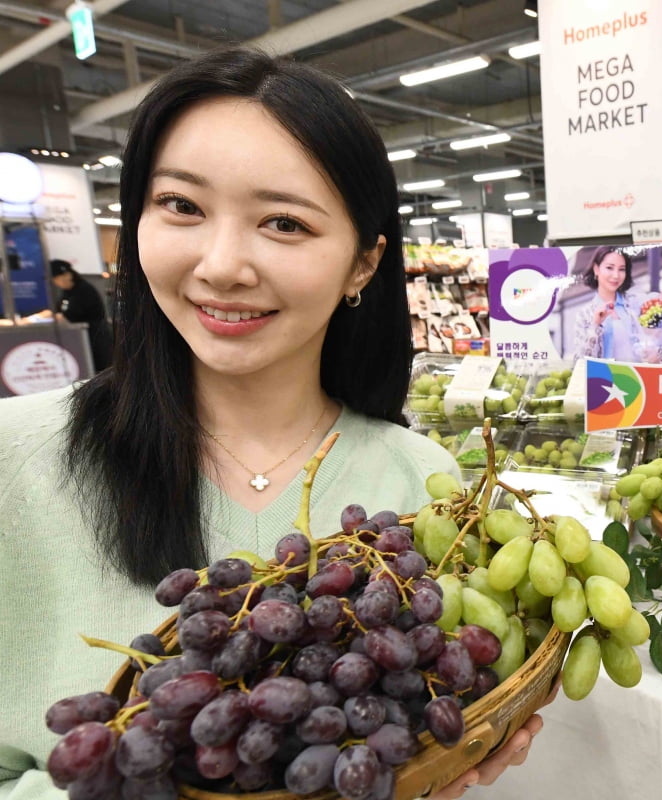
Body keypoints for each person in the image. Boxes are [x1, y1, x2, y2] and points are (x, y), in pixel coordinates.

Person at [0, 47, 542, 799]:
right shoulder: (12, 458)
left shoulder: (428, 486)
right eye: (182, 206)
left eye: (284, 222)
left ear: (362, 264)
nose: (222, 265)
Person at [570, 246, 662, 363]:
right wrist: (595, 325)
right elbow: (580, 361)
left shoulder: (636, 302)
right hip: (605, 379)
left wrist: (659, 353)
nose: (616, 275)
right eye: (609, 268)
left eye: (622, 269)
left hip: (641, 377)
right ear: (596, 269)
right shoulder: (585, 314)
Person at [18, 259, 114, 371]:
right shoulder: (67, 292)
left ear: (68, 275)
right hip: (79, 339)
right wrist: (33, 318)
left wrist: (36, 319)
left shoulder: (84, 290)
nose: (56, 282)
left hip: (95, 338)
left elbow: (67, 315)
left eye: (57, 278)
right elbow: (56, 311)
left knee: (99, 369)